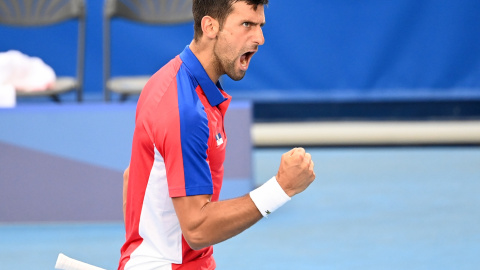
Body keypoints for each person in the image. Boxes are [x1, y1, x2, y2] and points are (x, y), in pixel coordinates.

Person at [118, 0, 315, 269]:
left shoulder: (176, 82)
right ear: (210, 26)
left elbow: (134, 176)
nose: (260, 38)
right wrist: (281, 188)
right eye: (247, 24)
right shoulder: (185, 110)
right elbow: (197, 230)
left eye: (260, 26)